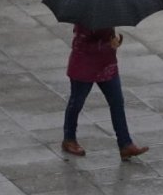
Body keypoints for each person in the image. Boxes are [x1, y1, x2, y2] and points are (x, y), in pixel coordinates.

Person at [61, 24, 148, 161]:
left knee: (117, 102)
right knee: (76, 102)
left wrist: (116, 39)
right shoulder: (85, 15)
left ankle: (125, 144)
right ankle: (69, 139)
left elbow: (109, 34)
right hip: (84, 64)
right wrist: (109, 40)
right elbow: (88, 37)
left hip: (106, 64)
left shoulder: (108, 10)